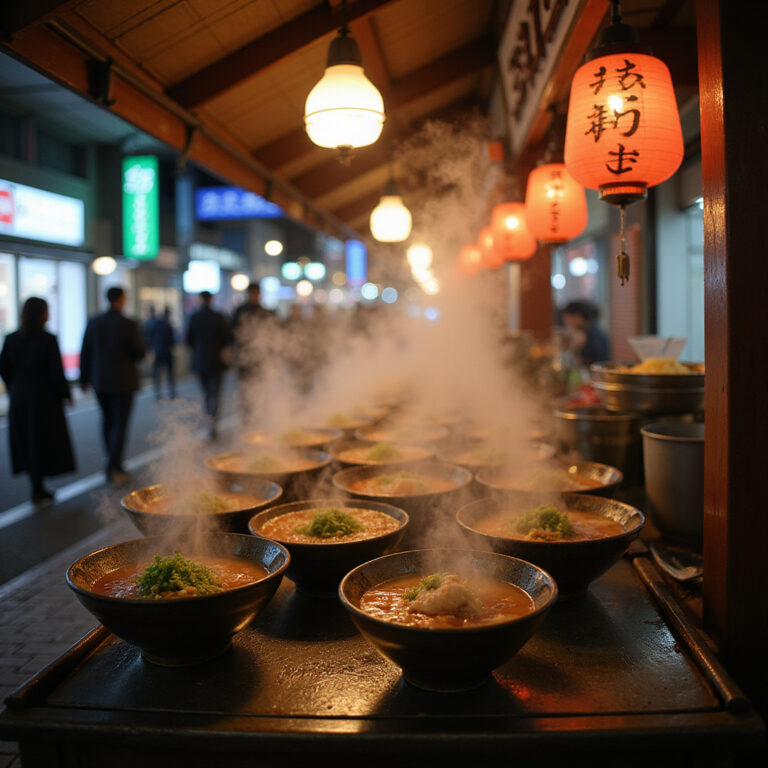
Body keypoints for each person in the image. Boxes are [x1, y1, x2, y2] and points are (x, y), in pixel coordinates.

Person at [0, 297, 76, 503]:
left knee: (26, 440)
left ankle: (36, 485)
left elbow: (4, 368)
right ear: (42, 314)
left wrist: (14, 388)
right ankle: (39, 487)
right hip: (45, 399)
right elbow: (56, 372)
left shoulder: (11, 339)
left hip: (19, 398)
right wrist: (66, 394)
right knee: (42, 441)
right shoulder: (47, 340)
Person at [80, 286, 145, 485]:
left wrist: (84, 379)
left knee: (107, 421)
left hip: (100, 381)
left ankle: (111, 461)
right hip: (123, 381)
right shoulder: (128, 323)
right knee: (120, 424)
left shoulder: (94, 322)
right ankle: (114, 466)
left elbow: (85, 350)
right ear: (122, 299)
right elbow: (139, 352)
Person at [186, 291, 231, 440]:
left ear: (200, 300)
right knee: (215, 394)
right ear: (211, 299)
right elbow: (226, 339)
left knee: (206, 393)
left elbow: (188, 340)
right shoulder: (218, 316)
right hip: (216, 361)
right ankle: (212, 423)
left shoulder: (194, 316)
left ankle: (208, 421)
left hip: (199, 361)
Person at [231, 283, 273, 420]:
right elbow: (233, 333)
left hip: (261, 358)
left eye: (257, 293)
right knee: (245, 390)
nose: (255, 296)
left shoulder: (265, 312)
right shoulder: (240, 311)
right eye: (253, 293)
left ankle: (260, 417)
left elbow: (272, 334)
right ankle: (247, 419)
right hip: (244, 358)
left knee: (261, 389)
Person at [561, 300, 610, 368]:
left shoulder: (594, 334)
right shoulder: (586, 330)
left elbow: (593, 361)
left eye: (567, 317)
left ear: (578, 316)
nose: (566, 322)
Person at [148, 306, 176, 400]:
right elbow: (171, 340)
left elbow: (150, 338)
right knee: (169, 373)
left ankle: (157, 394)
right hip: (167, 351)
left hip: (157, 351)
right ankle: (171, 393)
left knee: (157, 374)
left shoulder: (155, 324)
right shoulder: (167, 325)